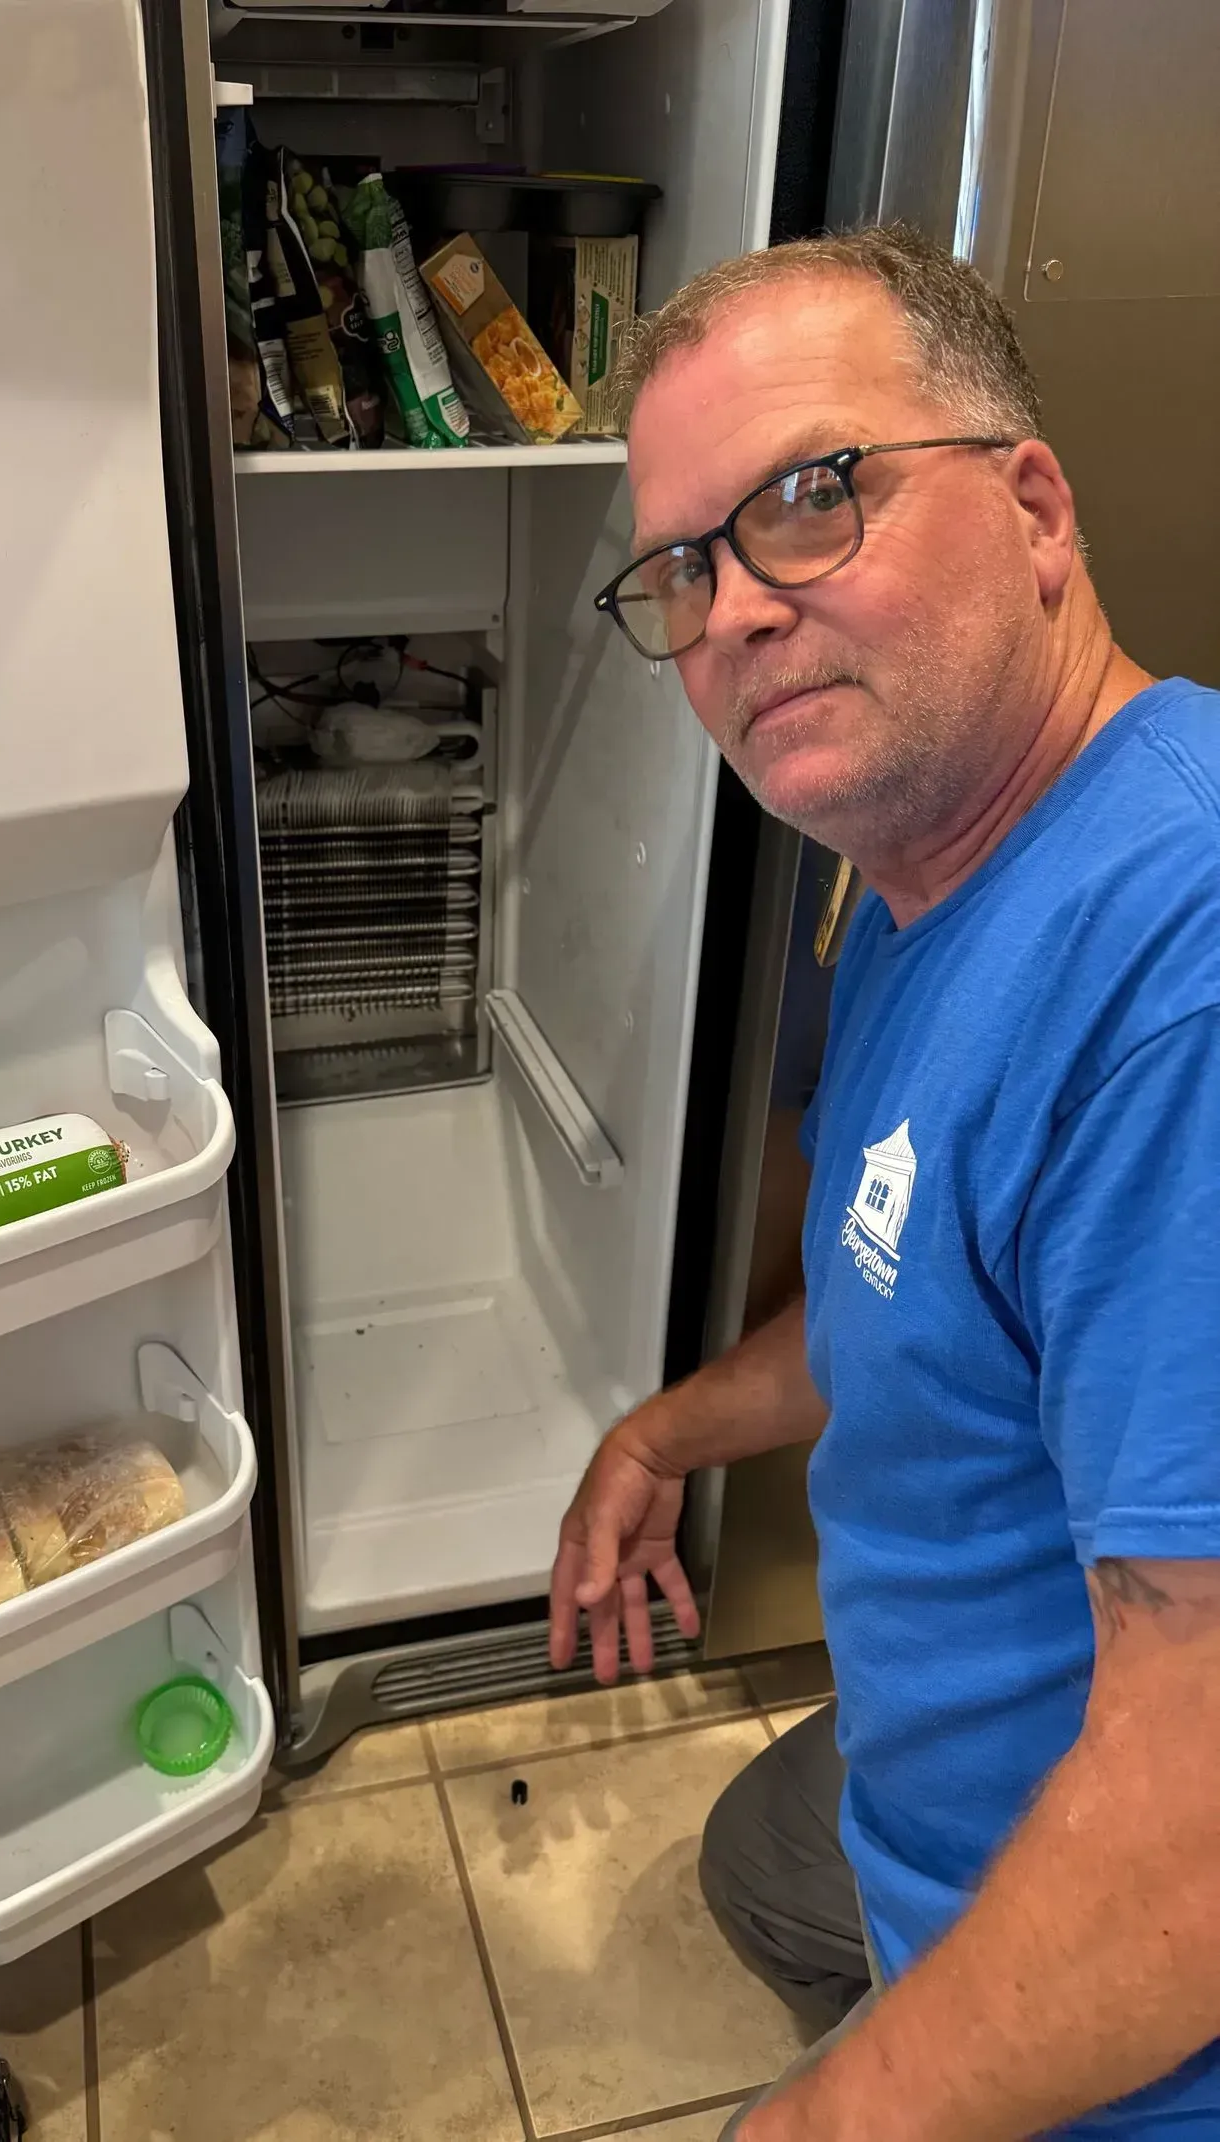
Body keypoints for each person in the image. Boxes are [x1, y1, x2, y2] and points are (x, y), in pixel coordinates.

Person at [550, 222, 1220, 2140]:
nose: (731, 615)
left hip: (1153, 2028)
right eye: (684, 564)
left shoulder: (1173, 976)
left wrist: (819, 2124)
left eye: (810, 496)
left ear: (1035, 511)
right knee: (759, 1868)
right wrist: (662, 1435)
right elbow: (908, 1285)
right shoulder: (929, 886)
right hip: (935, 1778)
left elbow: (1190, 1825)